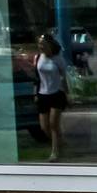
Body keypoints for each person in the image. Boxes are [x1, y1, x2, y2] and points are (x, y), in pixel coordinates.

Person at [35, 33, 67, 162]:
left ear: (50, 45)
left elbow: (64, 76)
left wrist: (68, 92)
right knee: (44, 127)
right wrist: (35, 93)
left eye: (43, 44)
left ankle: (55, 152)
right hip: (43, 94)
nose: (41, 46)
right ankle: (60, 142)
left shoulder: (58, 59)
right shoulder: (38, 58)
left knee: (54, 124)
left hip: (56, 93)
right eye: (39, 44)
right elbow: (36, 77)